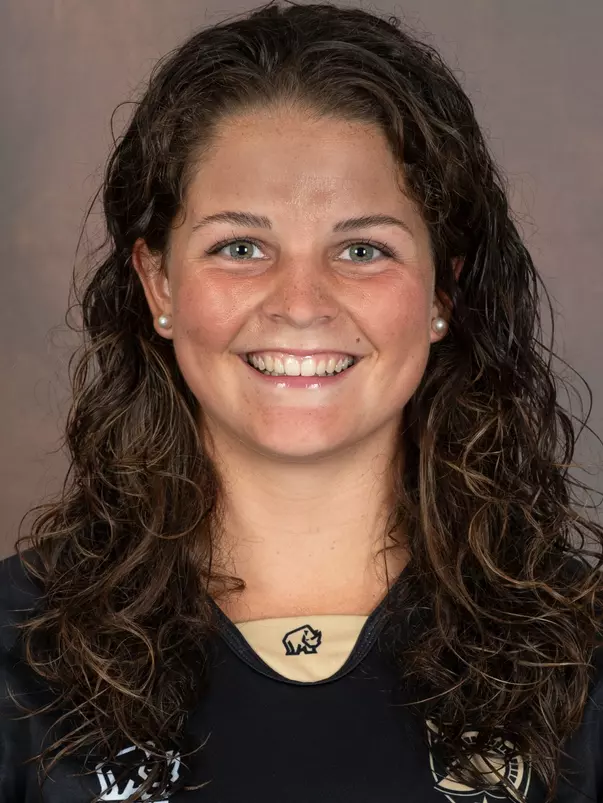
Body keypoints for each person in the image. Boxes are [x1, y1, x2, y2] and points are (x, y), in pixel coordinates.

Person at [1, 1, 602, 801]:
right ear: (159, 283)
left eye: (361, 248)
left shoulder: (581, 653)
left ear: (442, 291)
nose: (300, 301)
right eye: (240, 246)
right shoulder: (17, 655)